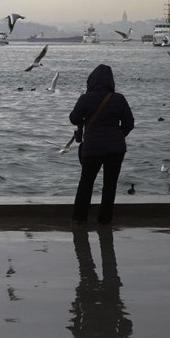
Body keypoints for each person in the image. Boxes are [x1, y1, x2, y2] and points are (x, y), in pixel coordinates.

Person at [70, 64, 134, 224]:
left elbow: (74, 119)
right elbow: (129, 123)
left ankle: (79, 219)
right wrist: (118, 135)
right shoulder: (119, 99)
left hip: (92, 148)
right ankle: (104, 221)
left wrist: (81, 100)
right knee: (110, 185)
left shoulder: (86, 98)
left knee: (86, 183)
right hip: (116, 149)